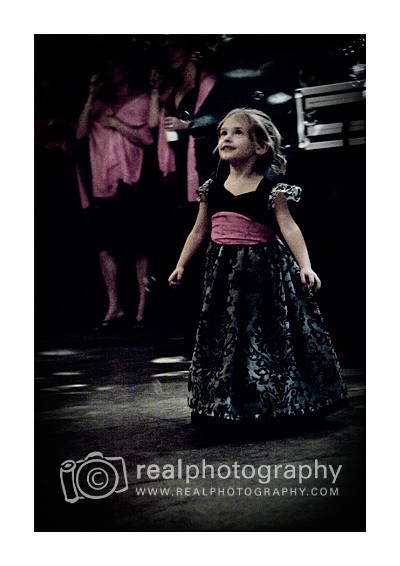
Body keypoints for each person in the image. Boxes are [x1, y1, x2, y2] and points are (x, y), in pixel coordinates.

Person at [168, 108, 347, 422]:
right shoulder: (212, 188)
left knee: (262, 340)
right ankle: (221, 405)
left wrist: (305, 265)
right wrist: (182, 264)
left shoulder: (271, 189)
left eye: (237, 132)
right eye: (223, 133)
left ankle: (273, 406)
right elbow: (199, 229)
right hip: (223, 280)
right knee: (225, 339)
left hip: (263, 278)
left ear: (261, 146)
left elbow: (289, 228)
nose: (226, 138)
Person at [76, 50, 154, 330]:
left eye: (117, 65)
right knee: (104, 246)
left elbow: (147, 138)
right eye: (108, 66)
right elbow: (80, 134)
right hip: (102, 184)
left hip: (130, 182)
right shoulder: (97, 104)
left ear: (128, 69)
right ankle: (114, 306)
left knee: (138, 246)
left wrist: (117, 125)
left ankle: (143, 306)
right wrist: (90, 96)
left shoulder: (142, 100)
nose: (112, 71)